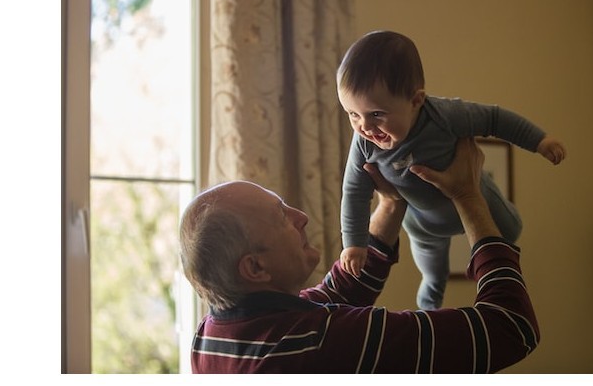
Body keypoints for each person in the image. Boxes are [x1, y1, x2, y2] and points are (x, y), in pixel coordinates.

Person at [179, 138, 540, 373]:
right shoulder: (323, 343)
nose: (301, 217)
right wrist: (468, 196)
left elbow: (336, 293)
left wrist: (391, 202)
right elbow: (510, 327)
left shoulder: (212, 336)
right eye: (281, 217)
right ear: (255, 267)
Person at [337, 30, 567, 309]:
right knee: (433, 273)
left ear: (416, 101)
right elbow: (354, 192)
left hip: (476, 194)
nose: (364, 127)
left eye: (376, 114)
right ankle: (429, 308)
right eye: (352, 114)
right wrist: (354, 243)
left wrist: (540, 141)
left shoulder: (445, 116)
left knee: (512, 230)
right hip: (423, 223)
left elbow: (495, 119)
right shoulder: (363, 143)